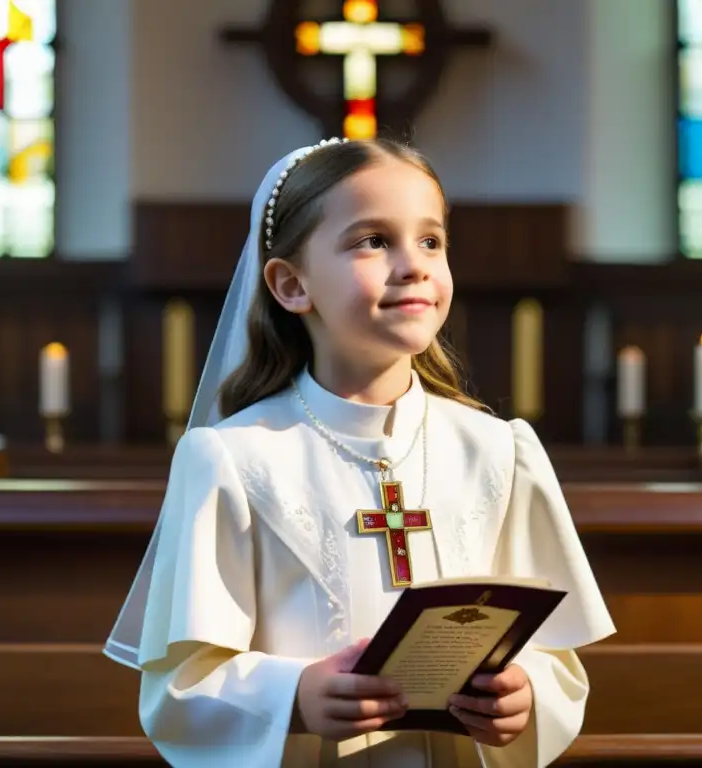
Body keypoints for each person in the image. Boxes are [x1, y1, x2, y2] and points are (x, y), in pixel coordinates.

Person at [104, 137, 615, 767]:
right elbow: (178, 688)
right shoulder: (232, 461)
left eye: (431, 241)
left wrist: (526, 693)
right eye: (373, 240)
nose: (414, 265)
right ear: (292, 284)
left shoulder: (498, 451)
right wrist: (295, 695)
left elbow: (555, 654)